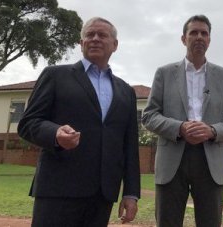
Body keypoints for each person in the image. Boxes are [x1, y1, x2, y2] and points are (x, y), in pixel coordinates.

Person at [18, 17, 140, 227]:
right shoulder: (56, 75)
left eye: (102, 35)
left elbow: (129, 146)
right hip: (58, 189)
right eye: (89, 35)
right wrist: (55, 134)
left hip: (102, 195)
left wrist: (131, 193)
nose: (95, 39)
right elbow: (28, 122)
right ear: (81, 42)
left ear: (115, 45)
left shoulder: (126, 92)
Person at [142, 15, 223, 227]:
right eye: (193, 32)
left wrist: (212, 130)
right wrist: (179, 127)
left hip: (210, 160)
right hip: (172, 159)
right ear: (183, 38)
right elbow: (149, 115)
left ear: (209, 40)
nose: (199, 37)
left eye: (204, 33)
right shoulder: (164, 73)